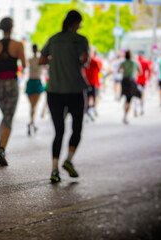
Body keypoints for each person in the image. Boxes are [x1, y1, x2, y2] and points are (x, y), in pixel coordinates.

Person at [39, 10, 89, 183]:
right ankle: (68, 160)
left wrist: (55, 60)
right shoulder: (80, 40)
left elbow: (41, 60)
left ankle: (54, 170)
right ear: (76, 23)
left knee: (59, 131)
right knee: (77, 129)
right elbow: (84, 59)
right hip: (74, 90)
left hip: (54, 91)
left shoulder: (53, 39)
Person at [0, 17, 26, 166]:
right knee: (8, 117)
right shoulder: (18, 45)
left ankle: (1, 145)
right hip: (11, 82)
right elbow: (23, 64)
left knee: (5, 115)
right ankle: (1, 148)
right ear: (12, 28)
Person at [118, 50, 142, 125]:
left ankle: (125, 114)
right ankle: (127, 114)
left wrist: (124, 71)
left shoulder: (123, 62)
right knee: (130, 98)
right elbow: (140, 72)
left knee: (127, 98)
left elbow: (119, 71)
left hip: (124, 81)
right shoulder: (135, 62)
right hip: (132, 81)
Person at [25, 44, 44, 136]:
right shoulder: (39, 60)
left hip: (32, 82)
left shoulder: (30, 60)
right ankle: (32, 123)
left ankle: (32, 123)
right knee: (34, 106)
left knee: (32, 106)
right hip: (36, 82)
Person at [84, 48, 102, 121]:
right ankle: (91, 110)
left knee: (87, 98)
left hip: (86, 83)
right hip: (93, 82)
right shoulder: (96, 61)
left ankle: (88, 111)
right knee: (94, 98)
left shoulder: (84, 61)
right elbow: (100, 70)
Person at [135, 51, 151, 116]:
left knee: (136, 95)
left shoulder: (135, 62)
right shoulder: (145, 62)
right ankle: (141, 109)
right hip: (142, 81)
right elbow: (149, 71)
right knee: (142, 95)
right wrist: (148, 78)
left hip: (136, 81)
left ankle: (136, 108)